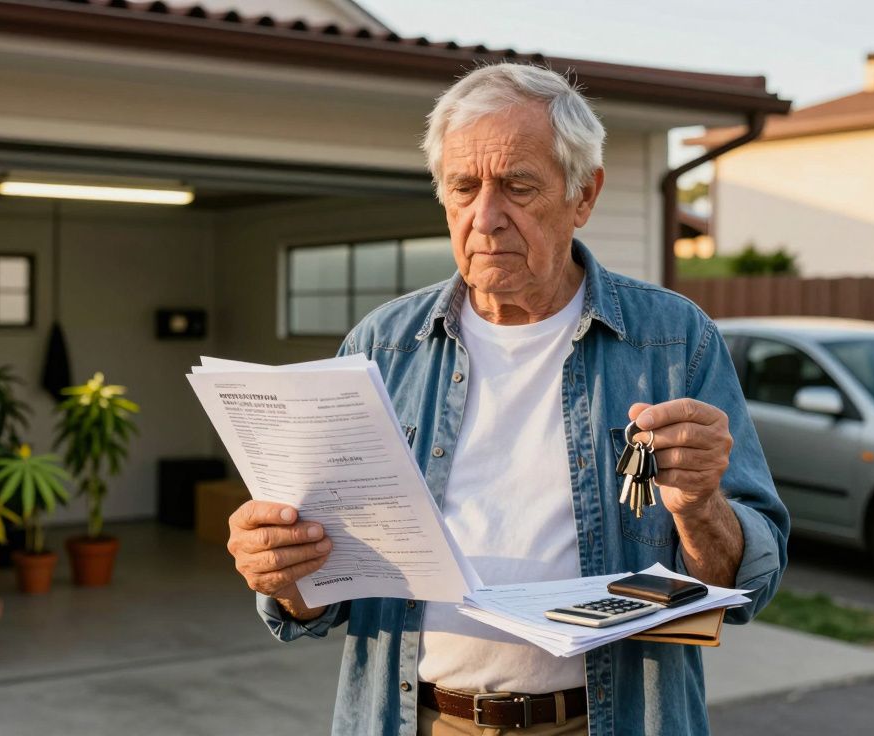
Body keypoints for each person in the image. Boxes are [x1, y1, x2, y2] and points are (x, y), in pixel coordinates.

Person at [225, 63, 789, 736]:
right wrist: (284, 574)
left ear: (584, 195)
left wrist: (699, 507)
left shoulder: (673, 340)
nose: (486, 218)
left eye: (518, 186)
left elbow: (747, 584)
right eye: (464, 188)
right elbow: (325, 598)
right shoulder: (380, 345)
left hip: (609, 720)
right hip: (418, 718)